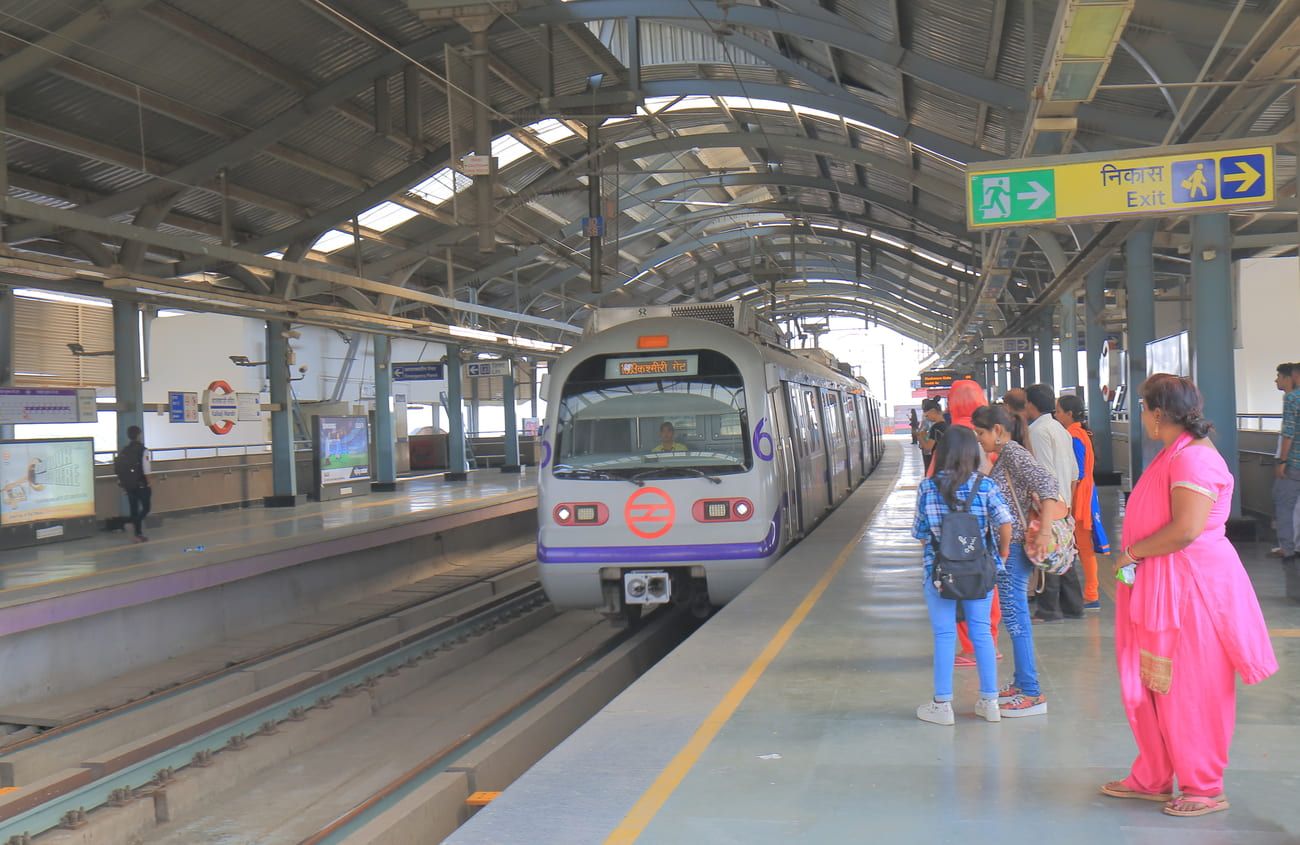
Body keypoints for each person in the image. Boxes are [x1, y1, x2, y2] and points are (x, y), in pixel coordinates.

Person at [1102, 374, 1277, 817]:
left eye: (1143, 407)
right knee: (1153, 687)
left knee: (1191, 689)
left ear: (1158, 414)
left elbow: (1185, 530)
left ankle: (1204, 786)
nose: (1141, 416)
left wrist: (1132, 553)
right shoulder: (1174, 454)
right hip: (1166, 583)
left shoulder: (1193, 460)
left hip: (1193, 590)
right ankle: (1154, 776)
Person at [972, 404, 1070, 717]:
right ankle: (1020, 682)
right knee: (1015, 617)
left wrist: (1042, 534)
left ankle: (1031, 692)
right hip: (1008, 548)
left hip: (1015, 547)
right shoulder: (1005, 455)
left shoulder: (1012, 453)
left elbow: (1048, 485)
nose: (979, 439)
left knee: (1016, 619)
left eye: (981, 433)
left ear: (998, 431)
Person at [912, 426, 1013, 726]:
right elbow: (1005, 523)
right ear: (973, 453)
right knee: (982, 633)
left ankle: (942, 706)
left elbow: (919, 533)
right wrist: (1002, 555)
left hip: (940, 572)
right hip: (979, 571)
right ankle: (990, 702)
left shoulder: (927, 488)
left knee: (944, 634)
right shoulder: (985, 486)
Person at [944, 379, 1002, 664]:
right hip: (988, 523)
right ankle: (991, 642)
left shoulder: (954, 436)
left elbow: (936, 482)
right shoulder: (992, 433)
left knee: (961, 586)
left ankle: (970, 648)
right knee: (988, 584)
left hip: (958, 531)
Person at [1024, 383, 1085, 622]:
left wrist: (1044, 505)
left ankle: (1049, 609)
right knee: (1064, 552)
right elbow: (1073, 471)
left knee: (1047, 551)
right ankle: (1073, 605)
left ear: (1031, 404)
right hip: (1063, 499)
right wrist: (1066, 502)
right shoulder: (1060, 429)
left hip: (1049, 501)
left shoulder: (1037, 431)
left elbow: (1043, 472)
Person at [1055, 395, 1110, 611]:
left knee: (1084, 545)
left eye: (1059, 411)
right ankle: (1089, 592)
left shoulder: (1074, 436)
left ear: (1069, 414)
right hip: (1085, 492)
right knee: (1082, 544)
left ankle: (1091, 593)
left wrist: (1069, 502)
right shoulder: (1079, 433)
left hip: (1080, 496)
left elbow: (1077, 472)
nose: (1056, 415)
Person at [1270, 362, 1300, 560]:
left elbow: (1288, 432)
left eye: (1279, 376)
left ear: (1291, 377)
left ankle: (1287, 547)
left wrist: (1282, 462)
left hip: (1294, 463)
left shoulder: (1292, 398)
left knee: (1283, 501)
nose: (1276, 380)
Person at [114, 425, 151, 543]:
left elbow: (119, 468)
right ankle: (137, 525)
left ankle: (137, 534)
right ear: (139, 435)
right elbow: (146, 468)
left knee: (133, 509)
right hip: (141, 484)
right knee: (146, 508)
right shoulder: (143, 450)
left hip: (129, 485)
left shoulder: (124, 450)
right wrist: (149, 482)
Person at [918, 399, 947, 472]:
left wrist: (920, 436)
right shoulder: (947, 425)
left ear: (933, 411)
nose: (927, 418)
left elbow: (928, 448)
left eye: (927, 415)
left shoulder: (936, 427)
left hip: (937, 462)